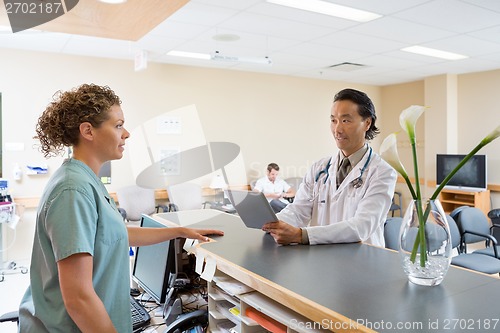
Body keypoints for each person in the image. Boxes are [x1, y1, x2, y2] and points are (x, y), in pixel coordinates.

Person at [18, 84, 224, 333]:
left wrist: (178, 232)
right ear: (88, 131)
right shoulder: (73, 190)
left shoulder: (85, 179)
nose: (126, 133)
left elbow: (114, 233)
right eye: (118, 125)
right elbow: (78, 299)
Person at [262, 88, 397, 247]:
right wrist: (273, 223)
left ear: (367, 123)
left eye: (346, 121)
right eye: (333, 120)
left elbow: (361, 226)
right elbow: (299, 210)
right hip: (322, 259)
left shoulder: (382, 172)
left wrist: (302, 235)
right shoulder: (319, 168)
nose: (337, 129)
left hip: (362, 262)